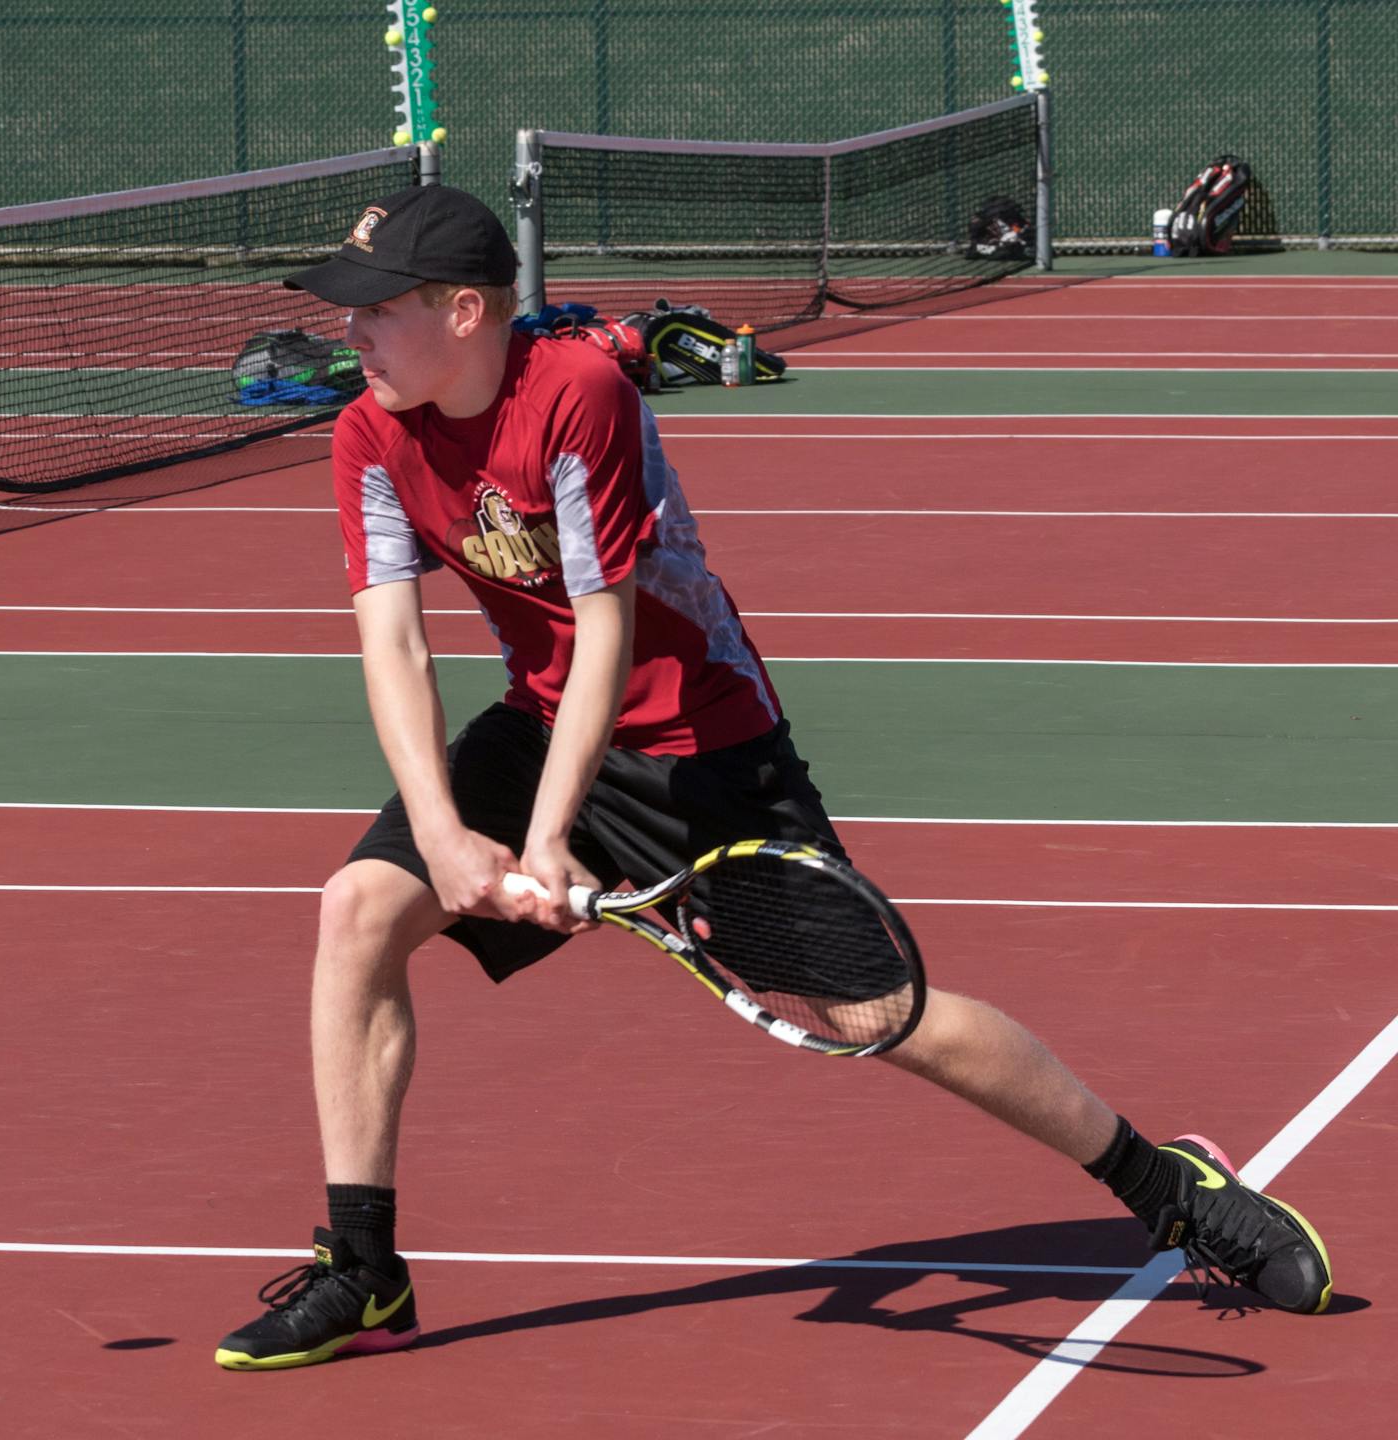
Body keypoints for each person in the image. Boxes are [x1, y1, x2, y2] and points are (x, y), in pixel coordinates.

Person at [213, 185, 1333, 1372]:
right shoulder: (368, 434)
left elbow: (608, 627)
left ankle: (1168, 1189)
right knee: (358, 910)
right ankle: (366, 1267)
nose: (350, 335)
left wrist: (543, 847)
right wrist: (443, 834)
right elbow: (393, 641)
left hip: (703, 748)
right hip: (540, 725)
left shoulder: (578, 397)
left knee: (878, 1016)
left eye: (374, 312)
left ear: (465, 310)